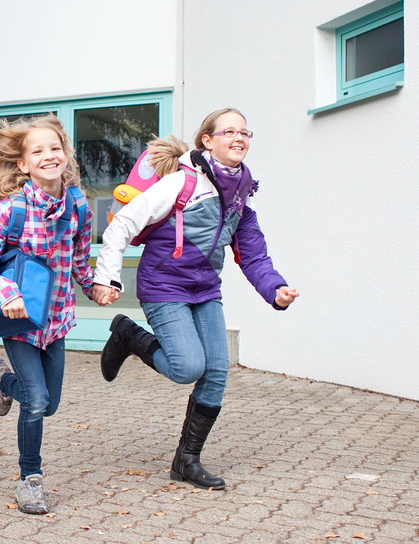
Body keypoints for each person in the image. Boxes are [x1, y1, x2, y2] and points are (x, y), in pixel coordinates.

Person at [92, 108, 298, 490]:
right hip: (163, 286)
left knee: (216, 370)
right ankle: (126, 336)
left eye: (245, 132)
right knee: (187, 367)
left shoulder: (240, 195)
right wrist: (108, 278)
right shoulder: (182, 183)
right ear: (208, 140)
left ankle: (186, 462)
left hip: (204, 289)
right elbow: (122, 223)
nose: (239, 138)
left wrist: (276, 290)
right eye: (229, 131)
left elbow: (252, 254)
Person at [0, 114, 96, 514]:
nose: (48, 155)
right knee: (37, 402)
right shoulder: (10, 210)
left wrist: (95, 286)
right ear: (23, 164)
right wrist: (5, 292)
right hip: (20, 322)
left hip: (56, 320)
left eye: (54, 148)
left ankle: (2, 382)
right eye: (37, 150)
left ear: (65, 156)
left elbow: (79, 259)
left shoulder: (78, 205)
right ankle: (30, 479)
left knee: (49, 403)